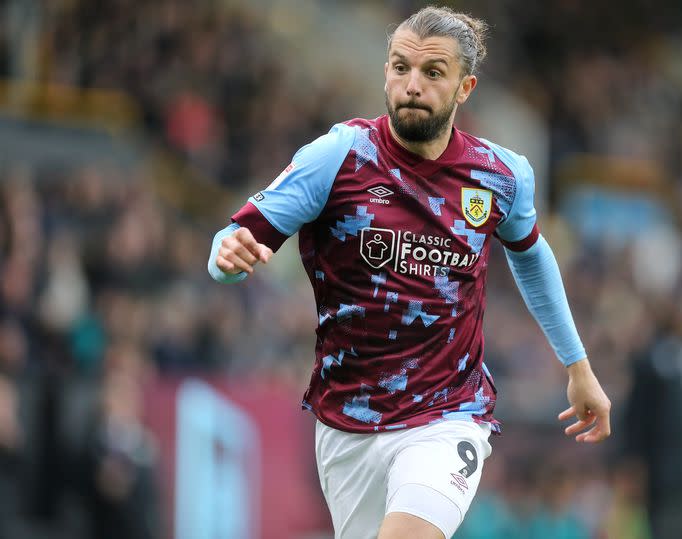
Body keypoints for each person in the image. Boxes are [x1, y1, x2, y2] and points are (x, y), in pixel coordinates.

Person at [208, 6, 611, 539]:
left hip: (448, 415)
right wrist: (226, 259)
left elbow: (531, 257)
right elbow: (235, 240)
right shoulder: (340, 156)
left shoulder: (501, 175)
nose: (412, 84)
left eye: (432, 72)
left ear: (465, 87)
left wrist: (577, 365)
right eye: (401, 68)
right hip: (347, 420)